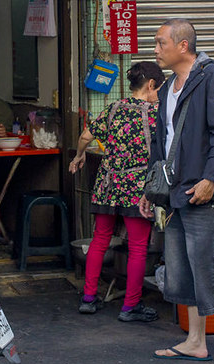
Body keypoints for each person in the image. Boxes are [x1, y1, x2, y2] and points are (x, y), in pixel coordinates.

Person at [140, 18, 214, 364]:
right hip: (177, 191)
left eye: (161, 43)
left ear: (183, 46)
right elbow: (161, 143)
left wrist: (210, 179)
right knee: (185, 268)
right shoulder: (166, 89)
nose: (155, 49)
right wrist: (151, 188)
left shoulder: (212, 78)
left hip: (205, 190)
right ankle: (195, 341)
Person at [69, 61, 165, 322]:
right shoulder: (157, 113)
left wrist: (79, 157)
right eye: (160, 89)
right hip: (137, 187)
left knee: (100, 239)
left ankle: (89, 298)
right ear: (151, 85)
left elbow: (86, 136)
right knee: (137, 247)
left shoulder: (113, 108)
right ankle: (130, 306)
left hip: (108, 184)